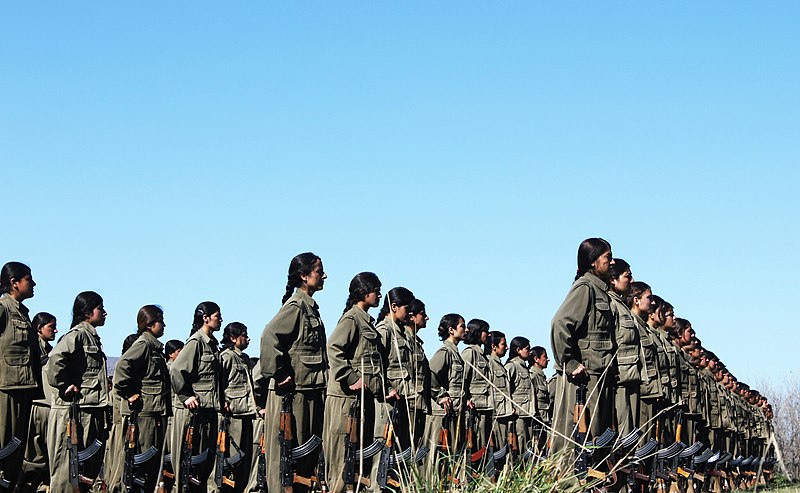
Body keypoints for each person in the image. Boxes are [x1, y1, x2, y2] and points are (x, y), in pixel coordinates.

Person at [259, 253, 328, 493]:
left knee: (304, 460)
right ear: (303, 275)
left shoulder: (310, 307)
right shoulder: (296, 306)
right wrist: (278, 374)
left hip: (308, 391)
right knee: (285, 462)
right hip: (293, 394)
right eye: (319, 271)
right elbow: (269, 336)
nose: (324, 275)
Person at [324, 272, 390, 493]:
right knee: (343, 463)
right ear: (364, 292)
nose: (380, 294)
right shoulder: (352, 319)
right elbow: (333, 348)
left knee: (357, 461)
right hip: (348, 401)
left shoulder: (367, 322)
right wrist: (351, 377)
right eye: (376, 289)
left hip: (364, 400)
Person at [550, 238, 616, 454]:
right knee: (578, 443)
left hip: (599, 375)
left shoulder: (600, 290)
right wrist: (569, 363)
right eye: (608, 257)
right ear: (593, 261)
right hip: (584, 380)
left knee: (595, 441)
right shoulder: (585, 288)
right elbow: (560, 323)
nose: (612, 262)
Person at [46, 291, 110, 493]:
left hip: (91, 409)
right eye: (100, 308)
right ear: (87, 311)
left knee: (86, 469)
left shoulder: (92, 338)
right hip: (78, 410)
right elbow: (55, 359)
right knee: (68, 469)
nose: (104, 312)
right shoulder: (77, 335)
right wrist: (63, 385)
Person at [112, 305, 172, 493]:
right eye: (160, 321)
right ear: (149, 324)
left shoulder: (154, 347)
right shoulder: (143, 344)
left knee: (152, 466)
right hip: (146, 413)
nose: (164, 325)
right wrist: (128, 393)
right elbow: (123, 366)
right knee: (142, 463)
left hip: (156, 411)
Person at [170, 301, 223, 493]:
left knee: (203, 467)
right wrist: (185, 396)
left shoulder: (212, 345)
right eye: (217, 316)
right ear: (205, 318)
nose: (221, 320)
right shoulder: (196, 342)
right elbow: (176, 370)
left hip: (208, 412)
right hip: (195, 415)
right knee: (188, 467)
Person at [0, 262, 40, 492]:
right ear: (15, 282)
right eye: (28, 279)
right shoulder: (3, 308)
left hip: (23, 389)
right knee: (4, 446)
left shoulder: (22, 313)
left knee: (15, 451)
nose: (33, 284)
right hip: (5, 389)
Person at [377, 288, 428, 451]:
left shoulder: (402, 334)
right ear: (394, 307)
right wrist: (387, 388)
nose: (409, 313)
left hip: (405, 401)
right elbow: (377, 367)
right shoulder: (384, 331)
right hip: (390, 403)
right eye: (406, 308)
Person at [214, 322, 257, 493]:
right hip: (233, 416)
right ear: (233, 338)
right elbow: (218, 382)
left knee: (244, 461)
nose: (247, 339)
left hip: (246, 412)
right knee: (232, 460)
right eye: (244, 335)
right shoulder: (226, 357)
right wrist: (223, 402)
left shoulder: (244, 358)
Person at [20, 312, 57, 493]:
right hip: (36, 405)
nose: (55, 330)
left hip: (50, 407)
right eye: (51, 327)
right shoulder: (32, 348)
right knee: (33, 456)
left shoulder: (52, 352)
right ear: (39, 328)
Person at [425, 313, 467, 468]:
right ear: (451, 330)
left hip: (455, 411)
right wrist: (439, 395)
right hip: (444, 413)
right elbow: (430, 374)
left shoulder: (455, 353)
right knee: (436, 458)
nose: (466, 329)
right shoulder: (445, 352)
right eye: (462, 326)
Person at [607, 259, 641, 437]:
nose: (632, 280)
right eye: (627, 276)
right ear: (613, 279)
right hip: (618, 376)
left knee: (629, 429)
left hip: (629, 375)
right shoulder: (611, 304)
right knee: (621, 429)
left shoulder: (621, 306)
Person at [626, 281, 662, 442]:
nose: (652, 302)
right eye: (649, 297)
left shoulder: (643, 327)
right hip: (637, 387)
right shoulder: (632, 323)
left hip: (647, 388)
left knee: (647, 437)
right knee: (638, 437)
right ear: (636, 300)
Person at [461, 319, 492, 469]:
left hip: (485, 408)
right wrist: (466, 399)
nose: (489, 334)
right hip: (475, 409)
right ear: (478, 332)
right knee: (474, 448)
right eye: (486, 330)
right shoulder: (470, 353)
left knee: (484, 447)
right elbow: (462, 380)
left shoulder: (482, 355)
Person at [485, 331, 514, 465]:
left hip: (504, 413)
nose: (506, 347)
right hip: (495, 414)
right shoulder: (488, 363)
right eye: (503, 344)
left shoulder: (500, 365)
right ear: (493, 346)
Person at [505, 337, 534, 455]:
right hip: (518, 415)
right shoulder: (511, 367)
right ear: (518, 350)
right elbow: (506, 390)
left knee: (528, 446)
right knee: (519, 445)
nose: (530, 351)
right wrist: (510, 408)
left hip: (528, 414)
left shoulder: (525, 368)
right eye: (527, 349)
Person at [529, 346, 551, 455]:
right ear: (536, 359)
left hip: (545, 421)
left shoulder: (542, 376)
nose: (547, 359)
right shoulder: (532, 376)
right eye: (545, 357)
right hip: (538, 421)